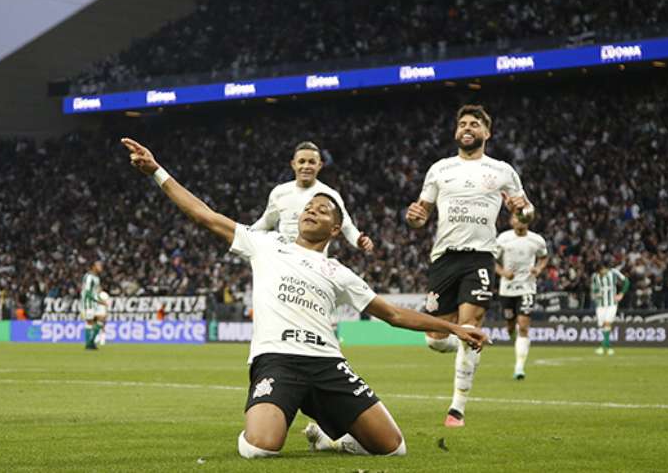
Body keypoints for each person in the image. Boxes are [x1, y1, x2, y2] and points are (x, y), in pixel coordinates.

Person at [121, 137, 488, 459]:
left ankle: (329, 439)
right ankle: (276, 409)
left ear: (334, 228)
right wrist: (157, 171)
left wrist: (453, 328)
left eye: (322, 210)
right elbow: (205, 215)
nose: (311, 209)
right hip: (277, 360)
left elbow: (391, 313)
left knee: (393, 447)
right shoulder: (264, 243)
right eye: (309, 207)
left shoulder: (338, 271)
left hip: (327, 363)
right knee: (261, 447)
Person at [405, 104, 534, 427]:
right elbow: (421, 216)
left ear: (486, 133)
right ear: (455, 131)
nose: (467, 127)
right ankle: (465, 340)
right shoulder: (439, 169)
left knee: (470, 327)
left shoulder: (502, 170)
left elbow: (526, 212)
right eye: (462, 123)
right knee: (435, 338)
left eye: (474, 124)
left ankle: (457, 408)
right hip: (444, 257)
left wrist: (525, 210)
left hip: (479, 256)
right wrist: (415, 219)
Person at [252, 141, 373, 253]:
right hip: (285, 260)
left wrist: (358, 240)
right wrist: (240, 233)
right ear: (293, 164)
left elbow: (346, 226)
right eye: (302, 161)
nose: (306, 166)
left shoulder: (330, 195)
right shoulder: (279, 192)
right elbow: (266, 222)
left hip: (314, 262)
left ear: (319, 165)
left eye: (311, 162)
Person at [495, 215, 549, 379]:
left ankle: (519, 367)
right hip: (507, 289)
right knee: (510, 327)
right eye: (516, 219)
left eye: (522, 218)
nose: (519, 221)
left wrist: (538, 269)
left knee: (524, 326)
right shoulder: (503, 238)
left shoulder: (537, 240)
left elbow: (544, 257)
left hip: (527, 287)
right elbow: (492, 260)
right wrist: (503, 272)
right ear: (511, 221)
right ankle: (515, 339)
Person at [591, 261, 630, 355]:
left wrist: (621, 293)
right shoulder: (595, 277)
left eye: (603, 270)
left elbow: (626, 281)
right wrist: (596, 295)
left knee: (607, 323)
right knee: (602, 325)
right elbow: (594, 290)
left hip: (612, 303)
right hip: (600, 304)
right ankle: (607, 346)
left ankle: (604, 347)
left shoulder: (613, 272)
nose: (602, 272)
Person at [80, 261, 105, 350]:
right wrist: (99, 300)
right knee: (90, 322)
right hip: (88, 303)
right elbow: (87, 292)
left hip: (95, 303)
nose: (101, 267)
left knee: (101, 319)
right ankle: (89, 344)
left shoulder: (97, 278)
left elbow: (95, 290)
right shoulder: (89, 277)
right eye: (99, 266)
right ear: (93, 266)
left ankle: (90, 342)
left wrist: (100, 295)